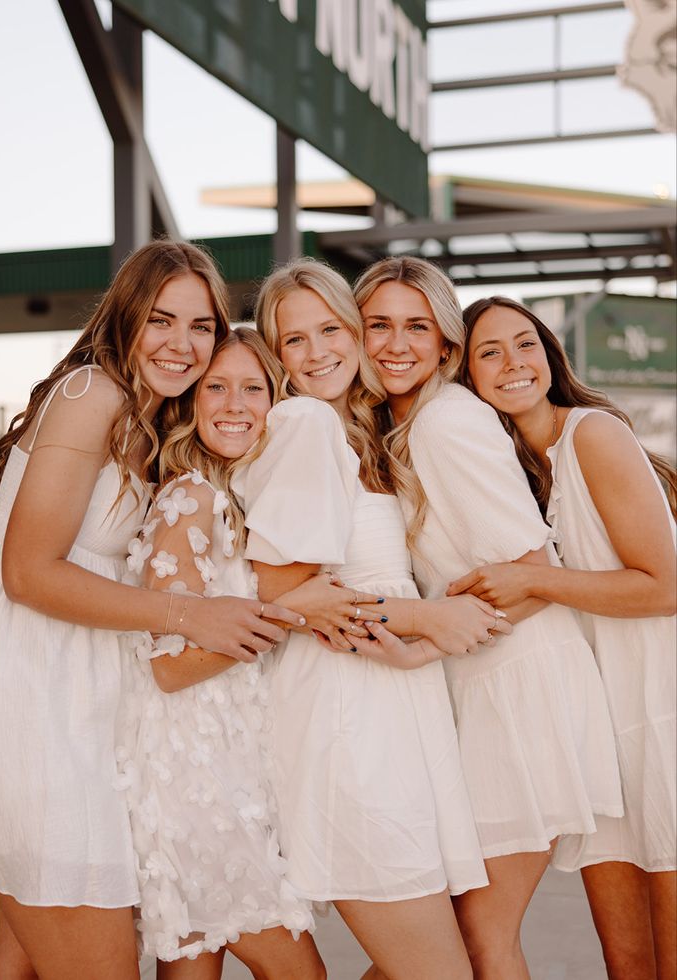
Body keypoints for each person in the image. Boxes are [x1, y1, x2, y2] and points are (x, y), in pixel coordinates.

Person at [0, 241, 303, 980]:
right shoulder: (93, 393)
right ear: (125, 318)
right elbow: (26, 572)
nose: (182, 343)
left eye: (201, 326)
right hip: (37, 706)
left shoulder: (151, 415)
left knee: (21, 968)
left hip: (82, 705)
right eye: (161, 321)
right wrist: (191, 617)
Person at [236, 258, 510, 980]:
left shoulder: (352, 431)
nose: (318, 350)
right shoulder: (300, 424)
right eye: (293, 341)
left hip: (387, 710)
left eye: (331, 329)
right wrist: (427, 618)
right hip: (347, 721)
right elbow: (281, 589)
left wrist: (423, 634)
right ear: (275, 355)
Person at [354, 256, 623, 980]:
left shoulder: (447, 423)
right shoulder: (399, 427)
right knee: (444, 942)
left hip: (523, 690)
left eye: (418, 327)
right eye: (379, 325)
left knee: (477, 941)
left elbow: (537, 574)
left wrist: (426, 640)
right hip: (486, 687)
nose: (396, 344)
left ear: (445, 345)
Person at [451, 295, 676, 980]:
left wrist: (540, 582)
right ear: (465, 377)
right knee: (626, 960)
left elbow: (665, 586)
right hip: (598, 732)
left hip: (660, 712)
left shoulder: (593, 435)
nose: (513, 362)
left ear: (551, 355)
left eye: (526, 344)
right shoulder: (510, 474)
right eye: (489, 351)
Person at [116, 327, 331, 979]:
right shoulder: (190, 499)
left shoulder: (234, 502)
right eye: (217, 386)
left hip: (226, 771)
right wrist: (291, 613)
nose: (235, 404)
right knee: (298, 972)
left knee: (194, 965)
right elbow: (169, 666)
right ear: (192, 401)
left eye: (253, 389)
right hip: (194, 782)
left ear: (278, 404)